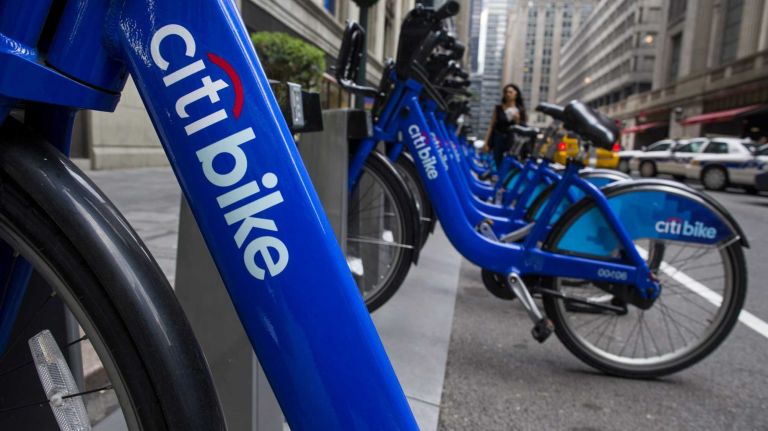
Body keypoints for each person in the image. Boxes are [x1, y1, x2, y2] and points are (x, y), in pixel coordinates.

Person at [483, 83, 527, 167]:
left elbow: (521, 129)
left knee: (510, 162)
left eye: (510, 92)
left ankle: (507, 179)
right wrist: (486, 142)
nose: (508, 94)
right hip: (498, 138)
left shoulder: (520, 110)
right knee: (498, 161)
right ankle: (500, 178)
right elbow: (491, 125)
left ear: (516, 94)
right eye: (506, 92)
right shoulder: (498, 108)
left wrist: (517, 120)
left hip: (511, 139)